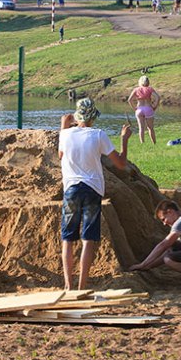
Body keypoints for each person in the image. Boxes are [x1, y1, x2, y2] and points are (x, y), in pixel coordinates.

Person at [59, 98, 131, 290]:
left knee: (68, 238)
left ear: (77, 116)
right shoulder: (98, 135)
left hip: (71, 189)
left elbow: (60, 155)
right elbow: (121, 164)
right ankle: (82, 285)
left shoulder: (65, 135)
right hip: (92, 189)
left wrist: (63, 126)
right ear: (93, 117)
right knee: (87, 239)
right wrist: (124, 140)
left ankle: (68, 284)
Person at [127, 75, 161, 144]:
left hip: (139, 109)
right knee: (150, 128)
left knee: (141, 128)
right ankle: (154, 143)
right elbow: (157, 97)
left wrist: (134, 108)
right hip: (148, 108)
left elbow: (129, 100)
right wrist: (155, 106)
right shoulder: (150, 89)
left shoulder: (136, 89)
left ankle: (142, 143)